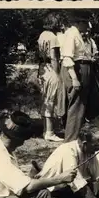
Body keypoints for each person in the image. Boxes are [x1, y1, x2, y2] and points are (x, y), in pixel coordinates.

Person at [61, 15, 99, 142]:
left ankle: (86, 135)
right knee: (77, 106)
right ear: (79, 22)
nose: (87, 27)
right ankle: (70, 140)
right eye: (85, 23)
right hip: (78, 69)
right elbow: (67, 58)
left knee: (92, 104)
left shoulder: (79, 34)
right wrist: (74, 78)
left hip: (86, 68)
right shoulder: (71, 34)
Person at [37, 12, 66, 142]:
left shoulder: (42, 35)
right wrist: (58, 74)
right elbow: (54, 58)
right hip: (51, 69)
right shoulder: (53, 37)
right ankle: (50, 132)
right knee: (51, 100)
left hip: (43, 69)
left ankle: (45, 130)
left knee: (46, 99)